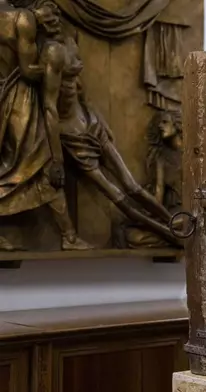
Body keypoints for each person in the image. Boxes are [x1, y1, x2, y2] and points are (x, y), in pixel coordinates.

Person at [38, 6, 181, 245]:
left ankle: (176, 228)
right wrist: (56, 159)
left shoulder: (70, 40)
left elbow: (81, 90)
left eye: (53, 17)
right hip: (71, 134)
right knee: (115, 195)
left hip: (90, 121)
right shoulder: (49, 53)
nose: (51, 22)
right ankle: (168, 234)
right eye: (45, 20)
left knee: (131, 184)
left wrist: (99, 119)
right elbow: (49, 107)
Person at [0, 0, 91, 250]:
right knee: (40, 162)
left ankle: (69, 236)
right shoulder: (23, 18)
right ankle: (69, 236)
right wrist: (52, 70)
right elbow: (28, 71)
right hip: (18, 98)